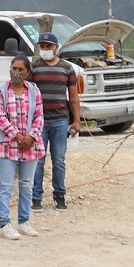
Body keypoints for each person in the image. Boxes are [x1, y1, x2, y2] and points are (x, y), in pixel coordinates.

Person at [0, 54, 44, 240]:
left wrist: (31, 137)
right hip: (7, 144)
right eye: (14, 68)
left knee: (27, 185)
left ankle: (24, 222)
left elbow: (39, 116)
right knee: (6, 185)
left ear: (27, 72)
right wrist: (18, 136)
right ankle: (4, 222)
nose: (17, 72)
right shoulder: (1, 91)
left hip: (31, 145)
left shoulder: (34, 91)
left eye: (21, 69)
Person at [28, 32, 80, 211]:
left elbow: (73, 97)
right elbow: (27, 95)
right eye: (42, 46)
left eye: (48, 46)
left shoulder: (67, 68)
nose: (45, 49)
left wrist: (77, 121)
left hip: (60, 121)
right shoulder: (33, 67)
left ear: (56, 48)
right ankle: (36, 197)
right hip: (39, 122)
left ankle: (59, 195)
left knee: (58, 160)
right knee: (38, 160)